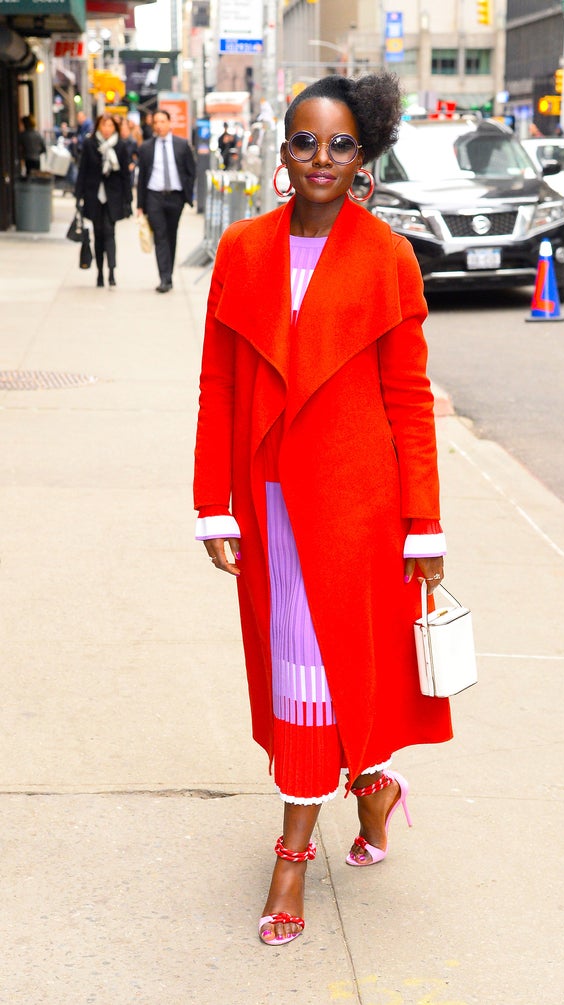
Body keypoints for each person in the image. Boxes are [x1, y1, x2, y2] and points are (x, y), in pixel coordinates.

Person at [193, 73, 452, 947]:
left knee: (328, 671)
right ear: (282, 153)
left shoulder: (388, 257)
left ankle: (292, 858)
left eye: (341, 144)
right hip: (268, 500)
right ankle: (373, 789)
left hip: (355, 505)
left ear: (364, 155)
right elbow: (219, 384)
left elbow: (411, 401)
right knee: (304, 673)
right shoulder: (241, 249)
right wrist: (211, 503)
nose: (322, 159)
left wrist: (425, 522)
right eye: (306, 141)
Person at [136, 109, 196, 293]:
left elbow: (190, 170)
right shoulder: (146, 148)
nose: (159, 125)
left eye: (163, 121)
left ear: (170, 123)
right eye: (156, 122)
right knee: (160, 236)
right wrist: (140, 205)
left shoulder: (181, 145)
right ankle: (164, 278)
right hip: (154, 196)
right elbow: (142, 177)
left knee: (171, 236)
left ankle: (168, 274)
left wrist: (187, 194)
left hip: (175, 197)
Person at [75, 113, 132, 287]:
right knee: (98, 235)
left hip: (113, 197)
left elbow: (125, 176)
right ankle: (100, 273)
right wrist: (78, 196)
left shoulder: (120, 146)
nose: (107, 130)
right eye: (103, 126)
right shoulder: (89, 144)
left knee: (109, 233)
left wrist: (128, 200)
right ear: (98, 127)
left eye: (110, 126)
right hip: (94, 197)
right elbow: (83, 171)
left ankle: (112, 272)